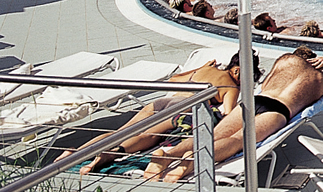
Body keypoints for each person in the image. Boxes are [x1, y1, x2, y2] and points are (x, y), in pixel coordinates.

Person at [145, 50, 323, 182]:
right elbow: (314, 102)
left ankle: (168, 154)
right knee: (236, 141)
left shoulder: (285, 60)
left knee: (214, 135)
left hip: (256, 100)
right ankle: (192, 160)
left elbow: (265, 84)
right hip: (279, 109)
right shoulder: (321, 80)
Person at [76, 51, 259, 174]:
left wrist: (200, 68)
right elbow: (227, 115)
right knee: (148, 134)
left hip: (162, 102)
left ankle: (72, 154)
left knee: (120, 132)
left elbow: (174, 79)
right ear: (237, 70)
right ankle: (112, 154)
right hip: (181, 107)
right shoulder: (230, 86)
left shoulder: (207, 68)